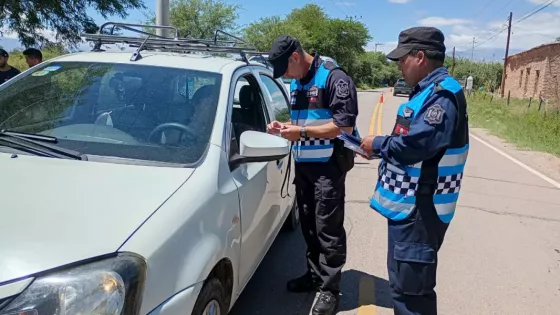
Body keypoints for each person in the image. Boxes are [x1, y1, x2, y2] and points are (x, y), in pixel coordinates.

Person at [359, 26, 469, 315]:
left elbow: (418, 144)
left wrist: (379, 143)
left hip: (420, 211)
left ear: (419, 56)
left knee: (411, 297)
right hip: (410, 210)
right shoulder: (426, 92)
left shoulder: (442, 95)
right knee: (404, 288)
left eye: (401, 59)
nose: (398, 65)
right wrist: (380, 150)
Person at [266, 35, 358, 315]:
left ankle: (330, 290)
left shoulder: (334, 77)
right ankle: (315, 275)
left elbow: (345, 126)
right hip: (304, 166)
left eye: (284, 69)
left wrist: (302, 133)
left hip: (327, 169)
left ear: (295, 57)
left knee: (327, 229)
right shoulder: (297, 81)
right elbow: (304, 121)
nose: (284, 76)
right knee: (308, 225)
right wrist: (284, 126)